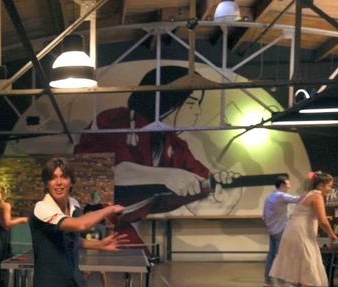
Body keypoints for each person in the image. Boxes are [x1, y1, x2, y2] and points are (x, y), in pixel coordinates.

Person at [73, 66, 240, 249]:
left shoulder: (174, 144)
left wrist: (217, 184)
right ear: (168, 101)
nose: (197, 112)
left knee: (139, 258)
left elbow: (199, 178)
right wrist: (166, 175)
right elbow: (107, 173)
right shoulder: (117, 120)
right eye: (192, 103)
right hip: (83, 219)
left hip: (117, 224)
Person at [29, 158, 129, 287]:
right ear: (46, 183)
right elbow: (79, 226)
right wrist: (109, 209)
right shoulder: (41, 208)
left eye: (64, 177)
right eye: (53, 177)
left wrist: (100, 245)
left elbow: (72, 239)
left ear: (71, 182)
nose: (59, 182)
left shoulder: (74, 205)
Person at [269, 172, 338, 287]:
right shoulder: (317, 196)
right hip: (302, 234)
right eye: (330, 186)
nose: (330, 189)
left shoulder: (307, 194)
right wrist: (331, 234)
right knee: (309, 267)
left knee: (304, 268)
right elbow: (322, 219)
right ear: (321, 185)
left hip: (296, 231)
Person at [262, 176, 300, 287]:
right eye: (288, 184)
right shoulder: (281, 196)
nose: (289, 186)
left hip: (272, 229)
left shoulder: (269, 197)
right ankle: (281, 282)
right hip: (280, 228)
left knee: (271, 255)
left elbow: (264, 215)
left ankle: (268, 281)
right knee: (281, 255)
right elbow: (298, 199)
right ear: (282, 185)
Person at [81, 190, 110, 287]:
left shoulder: (99, 229)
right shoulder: (84, 230)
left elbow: (103, 241)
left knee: (102, 272)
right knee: (86, 274)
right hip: (88, 254)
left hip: (98, 254)